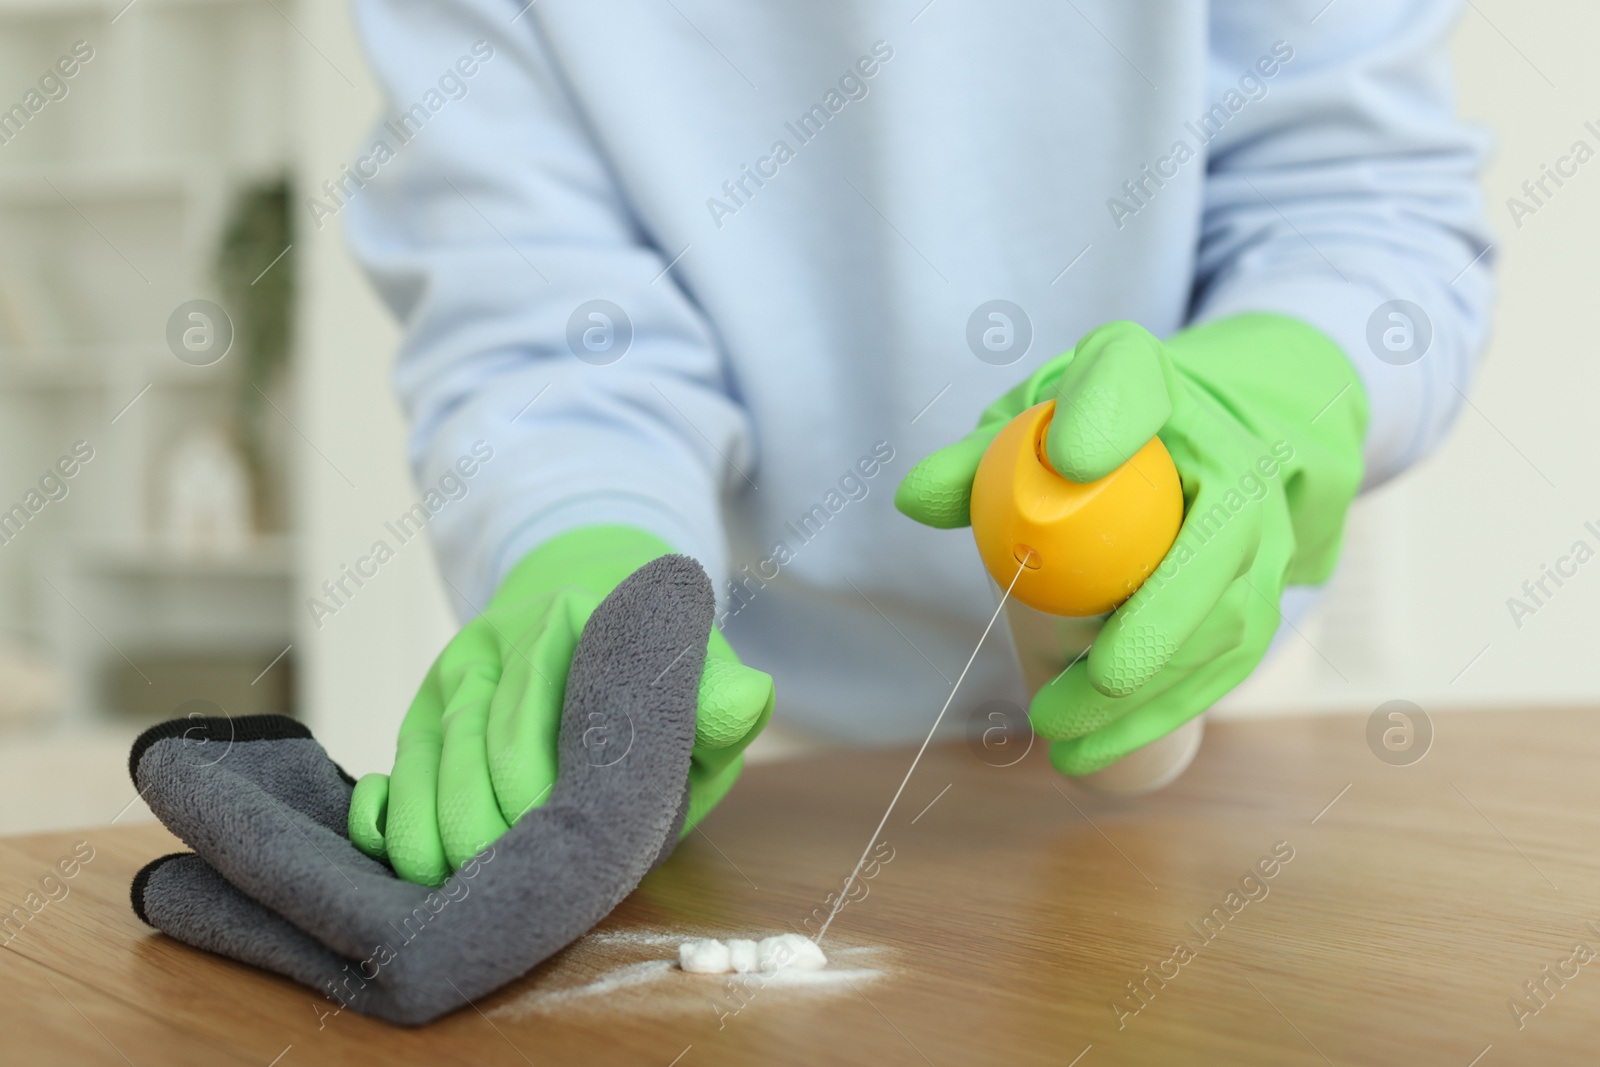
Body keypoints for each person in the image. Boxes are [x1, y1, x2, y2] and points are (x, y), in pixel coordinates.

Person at [339, 0, 1491, 885]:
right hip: (755, 728)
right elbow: (543, 305)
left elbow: (1355, 195)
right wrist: (579, 539)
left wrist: (1270, 395)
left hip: (1216, 660)